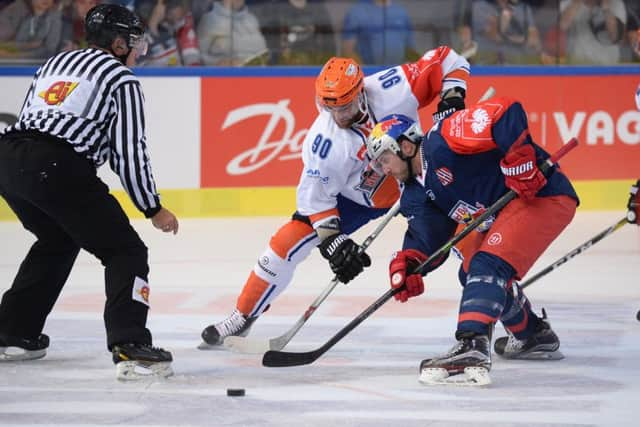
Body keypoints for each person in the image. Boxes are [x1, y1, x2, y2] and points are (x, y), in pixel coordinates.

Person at [199, 46, 471, 348]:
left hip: (416, 172)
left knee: (466, 230)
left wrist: (452, 98)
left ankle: (503, 311)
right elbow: (316, 201)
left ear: (360, 91)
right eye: (331, 108)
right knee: (284, 244)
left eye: (345, 106)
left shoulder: (393, 87)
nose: (338, 115)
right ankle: (243, 315)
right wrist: (334, 243)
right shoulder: (324, 143)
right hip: (356, 200)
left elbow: (448, 59)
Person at [0, 4, 178, 381]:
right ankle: (130, 345)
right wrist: (152, 208)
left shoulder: (53, 63)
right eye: (134, 43)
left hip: (8, 159)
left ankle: (12, 333)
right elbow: (128, 152)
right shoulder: (121, 78)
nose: (138, 51)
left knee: (56, 240)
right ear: (117, 44)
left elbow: (30, 120)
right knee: (125, 250)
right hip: (57, 166)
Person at [364, 99, 579, 385]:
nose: (383, 170)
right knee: (470, 273)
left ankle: (472, 345)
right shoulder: (415, 192)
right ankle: (532, 335)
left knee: (486, 266)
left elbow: (504, 113)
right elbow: (429, 236)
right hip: (507, 211)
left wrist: (520, 159)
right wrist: (411, 263)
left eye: (384, 160)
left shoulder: (443, 138)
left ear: (404, 146)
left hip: (540, 195)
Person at [341, 0, 417, 65]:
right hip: (369, 74)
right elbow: (347, 50)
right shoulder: (357, 12)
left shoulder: (401, 12)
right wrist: (364, 71)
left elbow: (410, 49)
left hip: (398, 74)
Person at [196, 0, 268, 66]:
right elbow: (198, 56)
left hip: (258, 74)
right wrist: (218, 62)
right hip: (226, 76)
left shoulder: (252, 19)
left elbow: (264, 52)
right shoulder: (210, 20)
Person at [559, 0, 627, 64]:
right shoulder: (568, 2)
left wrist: (606, 9)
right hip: (577, 67)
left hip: (607, 67)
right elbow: (562, 26)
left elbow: (616, 37)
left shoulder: (616, 4)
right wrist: (577, 2)